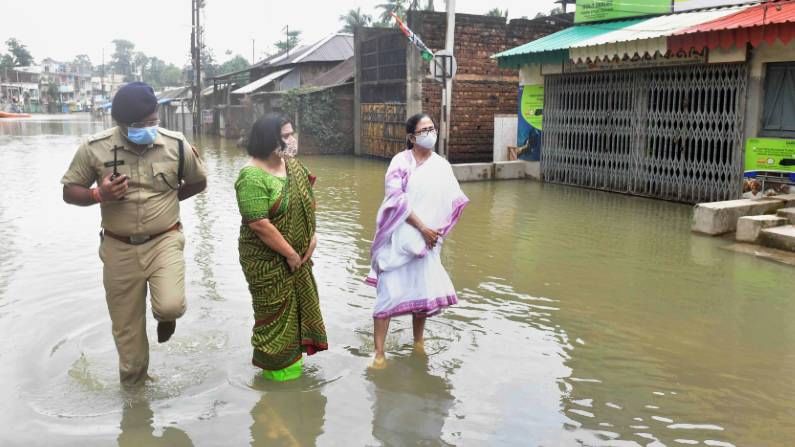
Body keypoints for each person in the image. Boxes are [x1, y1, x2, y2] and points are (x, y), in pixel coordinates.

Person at [61, 82, 207, 385]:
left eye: (153, 121)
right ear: (120, 124)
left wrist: (167, 199)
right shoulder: (94, 148)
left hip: (164, 240)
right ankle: (135, 394)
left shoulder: (176, 144)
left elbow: (198, 182)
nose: (148, 129)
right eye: (139, 125)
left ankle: (165, 318)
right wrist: (99, 195)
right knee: (127, 331)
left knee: (171, 305)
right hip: (119, 248)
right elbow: (69, 192)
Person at [366, 113, 469, 368]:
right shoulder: (400, 162)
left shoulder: (442, 166)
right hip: (399, 239)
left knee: (422, 295)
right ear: (412, 137)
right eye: (424, 130)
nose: (430, 133)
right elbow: (395, 199)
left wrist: (435, 231)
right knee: (387, 295)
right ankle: (379, 354)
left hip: (429, 241)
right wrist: (422, 227)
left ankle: (418, 342)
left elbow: (451, 200)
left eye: (432, 128)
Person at [234, 114, 327, 381]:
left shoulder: (293, 166)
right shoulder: (251, 175)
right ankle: (274, 383)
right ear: (268, 139)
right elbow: (259, 223)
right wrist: (289, 254)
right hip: (267, 262)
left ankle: (292, 373)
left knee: (297, 313)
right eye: (284, 136)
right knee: (274, 318)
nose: (291, 140)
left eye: (291, 133)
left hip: (299, 257)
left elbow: (308, 200)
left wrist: (312, 237)